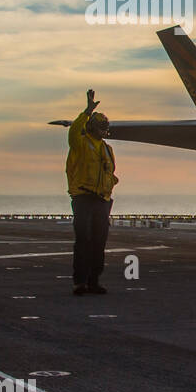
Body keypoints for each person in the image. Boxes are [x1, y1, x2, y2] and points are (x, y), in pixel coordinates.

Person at [66, 89, 118, 295]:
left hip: (101, 200)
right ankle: (79, 282)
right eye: (101, 126)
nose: (104, 130)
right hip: (83, 197)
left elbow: (110, 172)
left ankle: (94, 280)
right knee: (83, 240)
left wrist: (111, 185)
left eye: (105, 127)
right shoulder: (80, 143)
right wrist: (87, 111)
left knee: (99, 242)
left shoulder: (107, 149)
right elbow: (73, 131)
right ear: (92, 127)